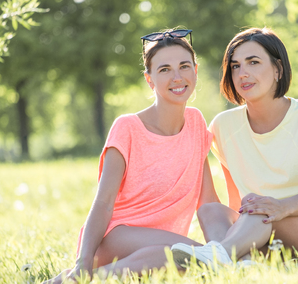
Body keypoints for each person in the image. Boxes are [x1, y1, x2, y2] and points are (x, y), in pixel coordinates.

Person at [171, 27, 298, 266]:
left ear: (278, 69)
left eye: (253, 62)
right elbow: (237, 203)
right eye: (235, 66)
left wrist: (277, 208)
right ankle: (241, 260)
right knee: (210, 211)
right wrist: (252, 221)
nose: (243, 73)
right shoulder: (223, 126)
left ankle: (220, 255)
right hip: (265, 224)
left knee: (260, 211)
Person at [44, 28, 220, 283]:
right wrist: (82, 261)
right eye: (164, 69)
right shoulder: (127, 127)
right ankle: (81, 273)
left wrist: (224, 243)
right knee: (194, 255)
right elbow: (103, 203)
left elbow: (208, 201)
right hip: (115, 238)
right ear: (149, 79)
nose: (177, 77)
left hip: (161, 247)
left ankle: (77, 281)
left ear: (195, 70)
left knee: (181, 258)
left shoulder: (196, 123)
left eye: (184, 66)